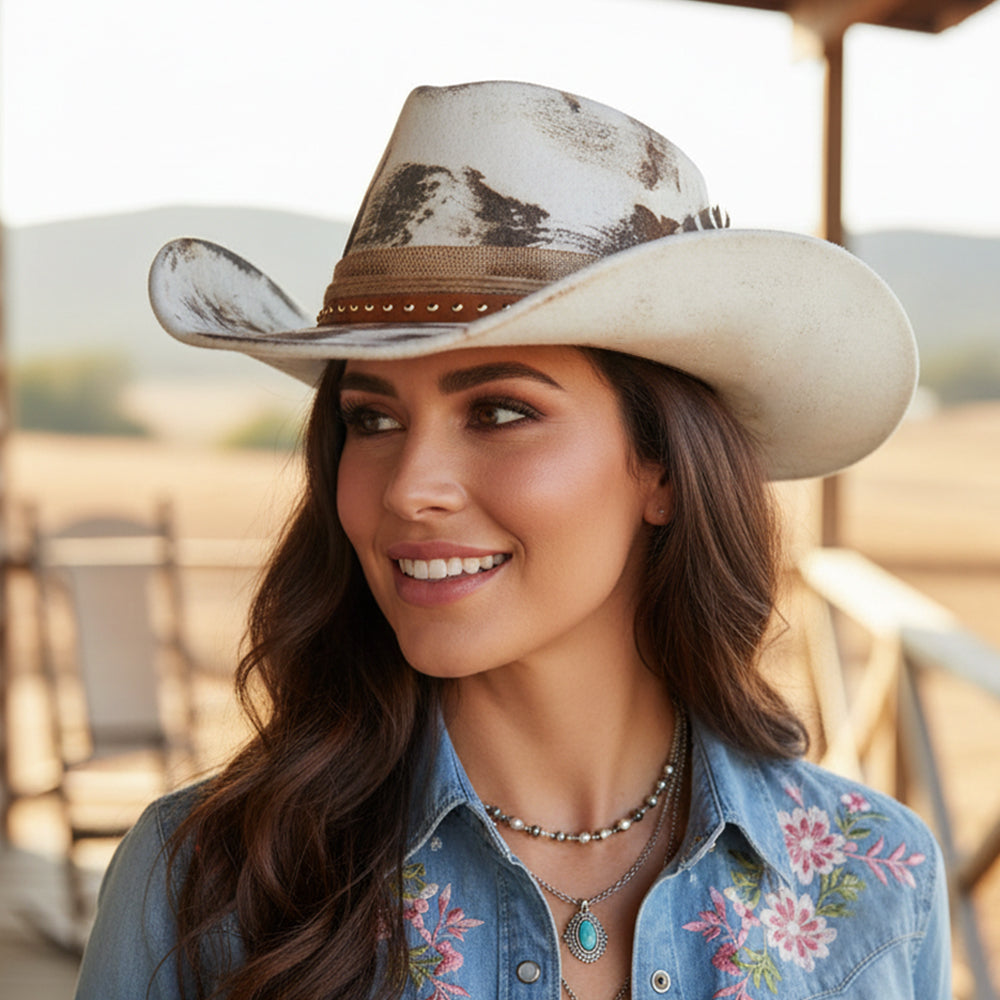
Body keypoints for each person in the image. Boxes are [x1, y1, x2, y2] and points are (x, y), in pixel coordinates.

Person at [75, 81, 949, 1000]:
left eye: (498, 410)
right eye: (371, 420)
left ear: (660, 468)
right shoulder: (200, 884)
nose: (409, 489)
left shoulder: (877, 888)